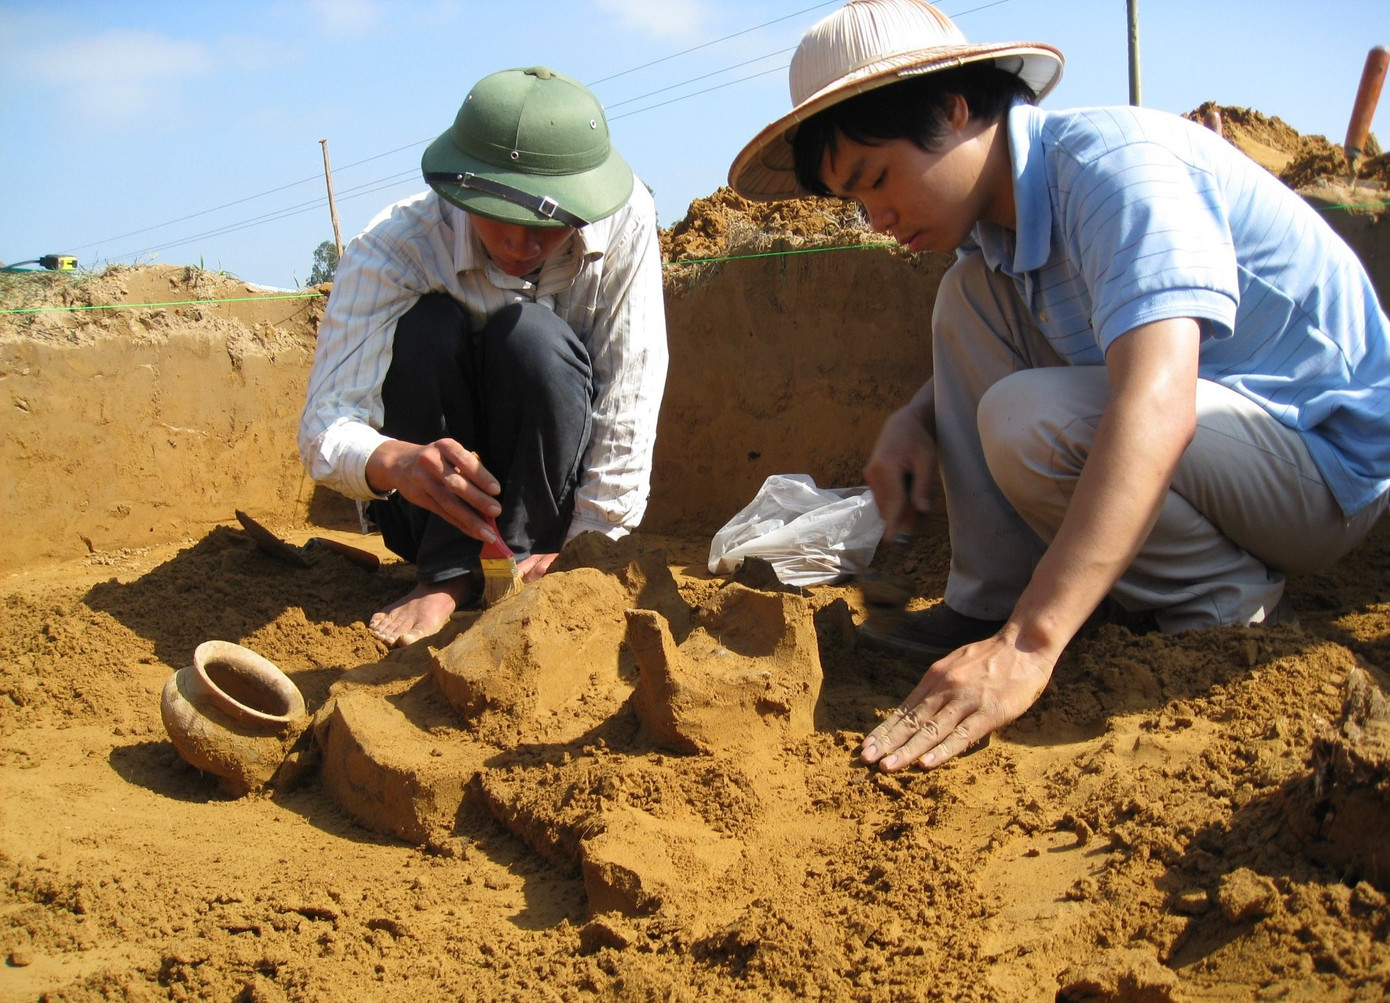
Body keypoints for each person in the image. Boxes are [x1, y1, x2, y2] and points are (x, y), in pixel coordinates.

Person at [728, 0, 1390, 772]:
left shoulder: (1116, 171)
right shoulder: (1001, 234)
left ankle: (1215, 604)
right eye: (855, 200)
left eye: (877, 178)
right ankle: (986, 602)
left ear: (954, 107)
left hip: (1325, 467)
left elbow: (1157, 402)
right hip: (1237, 443)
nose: (875, 217)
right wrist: (919, 417)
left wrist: (1030, 647)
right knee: (965, 300)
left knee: (1026, 418)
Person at [300, 66, 667, 648]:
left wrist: (589, 542)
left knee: (529, 338)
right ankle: (447, 576)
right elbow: (324, 427)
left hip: (553, 503)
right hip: (423, 512)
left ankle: (523, 565)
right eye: (503, 219)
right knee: (429, 327)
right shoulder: (395, 247)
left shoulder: (625, 223)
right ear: (462, 191)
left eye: (546, 226)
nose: (522, 245)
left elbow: (631, 384)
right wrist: (396, 461)